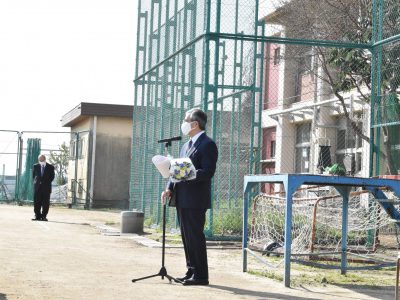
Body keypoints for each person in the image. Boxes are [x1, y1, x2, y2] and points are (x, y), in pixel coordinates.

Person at [161, 108, 218, 286]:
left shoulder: (208, 144)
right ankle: (191, 270)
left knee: (195, 236)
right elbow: (177, 170)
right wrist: (169, 188)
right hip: (182, 197)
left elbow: (208, 172)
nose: (184, 123)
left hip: (195, 199)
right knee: (186, 236)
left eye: (186, 120)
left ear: (195, 124)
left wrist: (190, 173)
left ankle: (201, 275)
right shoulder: (186, 146)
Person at [32, 154, 55, 221]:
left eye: (42, 158)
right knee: (37, 202)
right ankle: (37, 216)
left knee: (45, 203)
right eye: (40, 159)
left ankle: (44, 216)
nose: (41, 160)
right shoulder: (35, 166)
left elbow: (52, 177)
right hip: (37, 188)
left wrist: (45, 182)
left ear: (44, 159)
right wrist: (38, 183)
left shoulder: (50, 167)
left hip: (46, 188)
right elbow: (34, 176)